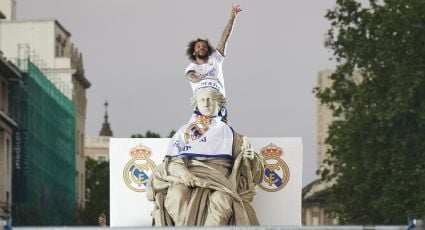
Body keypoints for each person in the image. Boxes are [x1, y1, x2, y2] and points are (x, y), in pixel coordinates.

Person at [146, 80, 264, 226]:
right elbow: (174, 161)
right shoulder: (185, 132)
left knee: (222, 199)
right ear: (196, 104)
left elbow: (251, 169)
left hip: (220, 183)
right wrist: (185, 174)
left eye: (211, 99)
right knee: (177, 195)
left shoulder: (232, 135)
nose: (206, 104)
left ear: (219, 103)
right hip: (189, 179)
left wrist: (250, 157)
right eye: (202, 100)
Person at [185, 4, 242, 108]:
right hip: (202, 106)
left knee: (223, 125)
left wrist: (232, 17)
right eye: (198, 46)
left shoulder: (216, 58)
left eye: (204, 46)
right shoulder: (192, 67)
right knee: (192, 125)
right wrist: (195, 78)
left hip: (218, 104)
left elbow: (225, 37)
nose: (201, 48)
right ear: (194, 52)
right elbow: (189, 75)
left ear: (208, 50)